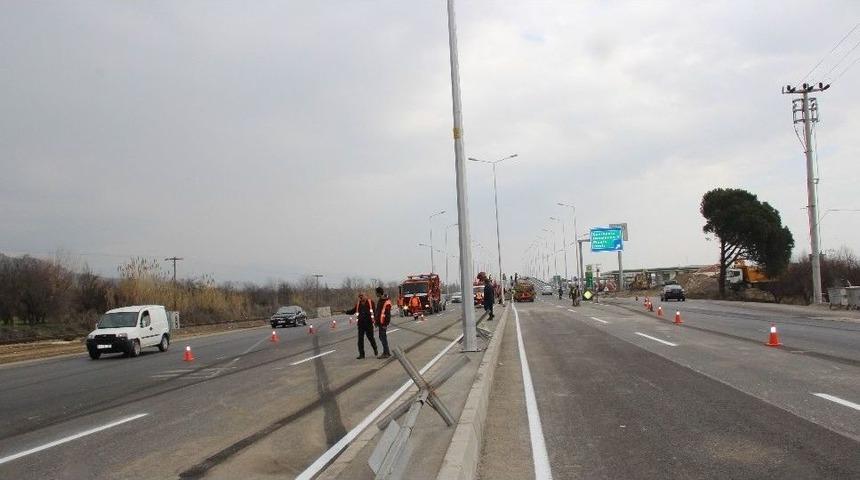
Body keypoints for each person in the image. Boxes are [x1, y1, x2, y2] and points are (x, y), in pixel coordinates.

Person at [344, 292, 377, 359]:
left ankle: (375, 348)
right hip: (361, 324)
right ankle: (362, 354)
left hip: (369, 323)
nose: (361, 297)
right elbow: (353, 311)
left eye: (362, 296)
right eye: (360, 296)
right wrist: (346, 311)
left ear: (365, 296)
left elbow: (375, 312)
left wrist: (376, 321)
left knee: (370, 338)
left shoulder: (371, 302)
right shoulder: (358, 304)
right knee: (360, 340)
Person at [373, 286, 392, 359]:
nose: (375, 294)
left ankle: (386, 353)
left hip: (383, 323)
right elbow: (378, 313)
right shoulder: (380, 300)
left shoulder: (386, 301)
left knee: (383, 338)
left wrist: (385, 324)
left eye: (376, 293)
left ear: (378, 293)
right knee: (382, 337)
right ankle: (386, 352)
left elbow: (387, 314)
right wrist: (376, 322)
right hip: (380, 323)